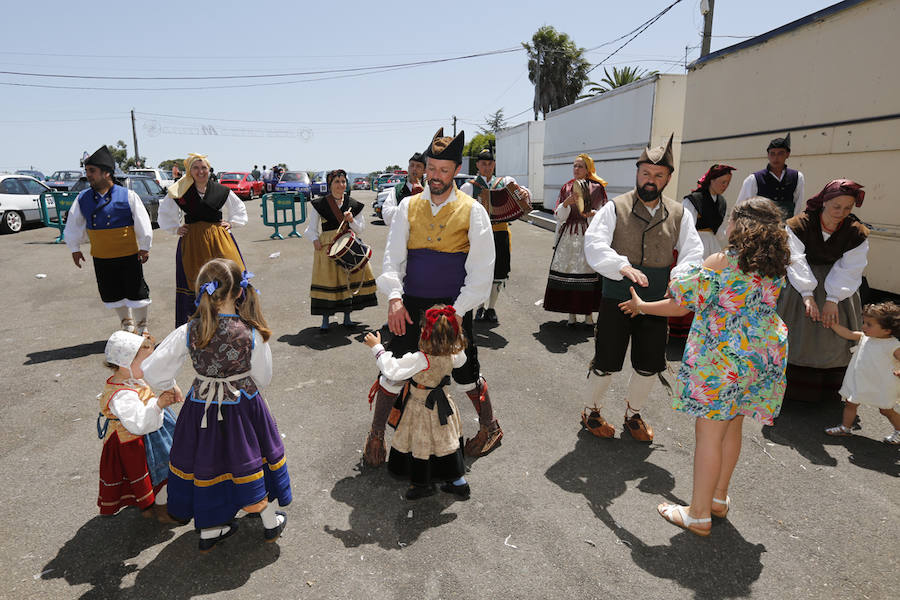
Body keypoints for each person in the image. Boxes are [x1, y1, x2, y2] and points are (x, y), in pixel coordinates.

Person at [619, 197, 790, 536]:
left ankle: (697, 514)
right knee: (734, 425)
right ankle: (718, 498)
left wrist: (641, 306)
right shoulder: (776, 264)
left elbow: (679, 305)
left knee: (709, 435)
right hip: (761, 353)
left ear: (739, 225)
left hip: (723, 356)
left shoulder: (723, 261)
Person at [364, 128, 500, 466]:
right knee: (394, 371)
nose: (435, 176)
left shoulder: (472, 210)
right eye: (431, 168)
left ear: (455, 171)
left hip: (453, 310)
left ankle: (491, 427)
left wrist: (456, 312)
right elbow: (392, 260)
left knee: (465, 372)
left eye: (443, 170)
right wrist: (394, 297)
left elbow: (482, 273)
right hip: (410, 306)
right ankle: (377, 435)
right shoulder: (408, 206)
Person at [142, 258, 290, 552]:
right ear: (239, 292)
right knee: (249, 465)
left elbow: (153, 370)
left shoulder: (188, 331)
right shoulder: (252, 333)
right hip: (244, 411)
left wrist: (168, 386)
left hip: (202, 410)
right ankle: (270, 522)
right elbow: (264, 377)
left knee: (208, 467)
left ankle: (212, 530)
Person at [583, 134, 704, 442]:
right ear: (637, 173)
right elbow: (594, 243)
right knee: (606, 362)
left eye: (658, 175)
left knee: (650, 365)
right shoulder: (615, 207)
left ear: (668, 178)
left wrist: (677, 281)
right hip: (618, 298)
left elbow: (692, 253)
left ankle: (633, 413)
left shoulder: (679, 213)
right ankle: (591, 411)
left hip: (654, 302)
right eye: (646, 173)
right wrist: (621, 266)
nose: (651, 180)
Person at [364, 305, 470, 499]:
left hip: (421, 407)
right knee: (445, 441)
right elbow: (461, 360)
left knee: (420, 443)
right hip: (444, 406)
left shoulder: (421, 359)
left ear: (425, 332)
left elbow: (392, 370)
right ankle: (458, 482)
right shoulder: (454, 353)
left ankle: (422, 484)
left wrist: (377, 348)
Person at [778, 179, 868, 404]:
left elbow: (851, 268)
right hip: (801, 282)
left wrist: (833, 298)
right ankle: (789, 393)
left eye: (848, 208)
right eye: (837, 206)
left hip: (840, 288)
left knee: (834, 338)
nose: (842, 212)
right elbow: (795, 259)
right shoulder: (799, 224)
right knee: (797, 335)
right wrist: (807, 294)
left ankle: (830, 393)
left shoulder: (856, 232)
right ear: (824, 201)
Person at [64, 146, 153, 334]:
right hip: (102, 257)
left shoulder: (128, 196)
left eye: (92, 171)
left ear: (106, 173)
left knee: (137, 292)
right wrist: (74, 248)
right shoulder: (82, 198)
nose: (88, 175)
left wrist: (145, 246)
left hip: (129, 256)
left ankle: (143, 326)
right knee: (113, 293)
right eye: (87, 171)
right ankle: (127, 324)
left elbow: (142, 222)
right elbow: (73, 224)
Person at [97, 330, 180, 522]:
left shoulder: (133, 376)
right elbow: (138, 424)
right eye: (145, 362)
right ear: (124, 364)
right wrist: (158, 404)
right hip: (137, 440)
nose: (149, 366)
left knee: (159, 469)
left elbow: (157, 375)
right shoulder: (122, 395)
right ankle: (163, 509)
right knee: (159, 471)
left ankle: (148, 504)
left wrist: (171, 385)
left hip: (153, 429)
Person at [158, 153, 248, 328]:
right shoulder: (180, 190)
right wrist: (175, 228)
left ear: (209, 170)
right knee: (197, 280)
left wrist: (232, 223)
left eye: (204, 168)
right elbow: (164, 212)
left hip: (219, 239)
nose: (200, 171)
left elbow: (239, 208)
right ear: (189, 171)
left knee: (229, 275)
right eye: (196, 168)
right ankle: (201, 326)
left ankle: (235, 323)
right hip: (192, 242)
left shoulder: (220, 190)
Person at [461, 147, 532, 324]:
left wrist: (524, 192)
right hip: (479, 236)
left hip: (500, 233)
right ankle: (479, 307)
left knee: (498, 273)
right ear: (477, 165)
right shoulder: (469, 187)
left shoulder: (505, 182)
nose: (487, 167)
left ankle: (491, 308)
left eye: (490, 163)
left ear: (494, 165)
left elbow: (523, 193)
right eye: (483, 164)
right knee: (479, 272)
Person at [305, 169, 377, 331]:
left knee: (349, 278)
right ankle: (325, 319)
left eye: (343, 181)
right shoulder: (320, 204)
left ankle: (347, 317)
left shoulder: (353, 204)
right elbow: (310, 229)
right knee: (328, 280)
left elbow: (360, 229)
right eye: (337, 182)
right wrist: (315, 240)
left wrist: (351, 221)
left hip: (348, 244)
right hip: (328, 247)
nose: (341, 185)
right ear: (330, 185)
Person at [670, 164, 736, 338]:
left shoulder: (721, 202)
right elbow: (686, 227)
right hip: (694, 243)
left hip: (712, 245)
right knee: (693, 281)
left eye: (728, 183)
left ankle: (707, 325)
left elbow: (721, 231)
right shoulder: (692, 200)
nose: (725, 186)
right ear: (711, 180)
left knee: (712, 285)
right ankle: (682, 327)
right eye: (722, 182)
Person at [542, 154, 607, 326]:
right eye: (574, 166)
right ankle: (571, 315)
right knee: (569, 272)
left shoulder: (597, 188)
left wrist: (591, 214)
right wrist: (565, 204)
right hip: (569, 236)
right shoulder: (567, 187)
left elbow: (604, 213)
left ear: (588, 169)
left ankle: (588, 316)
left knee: (588, 273)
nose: (576, 169)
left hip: (588, 233)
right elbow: (559, 216)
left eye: (580, 166)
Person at [825, 302, 900, 444]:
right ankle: (845, 428)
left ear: (887, 330)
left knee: (886, 410)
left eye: (869, 324)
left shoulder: (893, 345)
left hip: (882, 383)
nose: (863, 327)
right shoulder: (865, 337)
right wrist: (833, 325)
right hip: (861, 380)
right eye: (864, 322)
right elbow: (848, 333)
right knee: (851, 402)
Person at [735, 133, 805, 219]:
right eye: (772, 153)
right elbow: (741, 207)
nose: (776, 158)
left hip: (787, 228)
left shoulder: (797, 177)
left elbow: (798, 206)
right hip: (762, 229)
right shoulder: (754, 179)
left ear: (787, 154)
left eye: (780, 153)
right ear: (768, 155)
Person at [381, 152, 425, 228]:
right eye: (412, 165)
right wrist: (407, 207)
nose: (414, 169)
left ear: (424, 171)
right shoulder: (398, 189)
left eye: (418, 166)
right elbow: (386, 215)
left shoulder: (429, 189)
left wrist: (424, 194)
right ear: (408, 168)